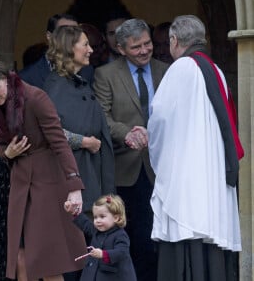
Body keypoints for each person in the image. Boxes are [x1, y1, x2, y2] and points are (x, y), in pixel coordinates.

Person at [0, 59, 87, 281]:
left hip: (48, 183)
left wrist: (74, 186)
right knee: (21, 260)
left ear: (7, 78)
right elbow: (2, 146)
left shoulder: (35, 98)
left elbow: (59, 142)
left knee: (48, 263)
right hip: (21, 184)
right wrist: (6, 154)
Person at [147, 15, 244, 281]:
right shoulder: (218, 72)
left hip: (187, 175)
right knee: (209, 235)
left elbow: (160, 118)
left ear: (175, 41)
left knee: (187, 229)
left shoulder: (181, 68)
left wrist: (158, 156)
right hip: (211, 173)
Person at [93, 18, 169, 281]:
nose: (145, 50)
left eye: (147, 43)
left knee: (159, 237)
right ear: (121, 48)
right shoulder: (106, 75)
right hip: (126, 170)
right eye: (136, 47)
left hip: (163, 168)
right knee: (133, 238)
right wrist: (127, 134)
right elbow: (102, 117)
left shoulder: (167, 71)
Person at [43, 25, 115, 215]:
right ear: (69, 48)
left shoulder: (76, 82)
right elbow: (50, 132)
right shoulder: (56, 87)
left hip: (90, 173)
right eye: (85, 45)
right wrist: (84, 142)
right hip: (73, 179)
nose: (90, 50)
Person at [64, 194, 137, 281]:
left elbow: (122, 252)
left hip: (113, 277)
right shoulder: (96, 230)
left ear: (116, 218)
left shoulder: (120, 235)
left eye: (102, 217)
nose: (97, 220)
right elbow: (85, 224)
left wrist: (104, 254)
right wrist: (74, 211)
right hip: (92, 274)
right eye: (95, 217)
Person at [19, 13, 94, 88]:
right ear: (49, 36)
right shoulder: (28, 77)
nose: (70, 39)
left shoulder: (87, 71)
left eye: (75, 33)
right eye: (65, 33)